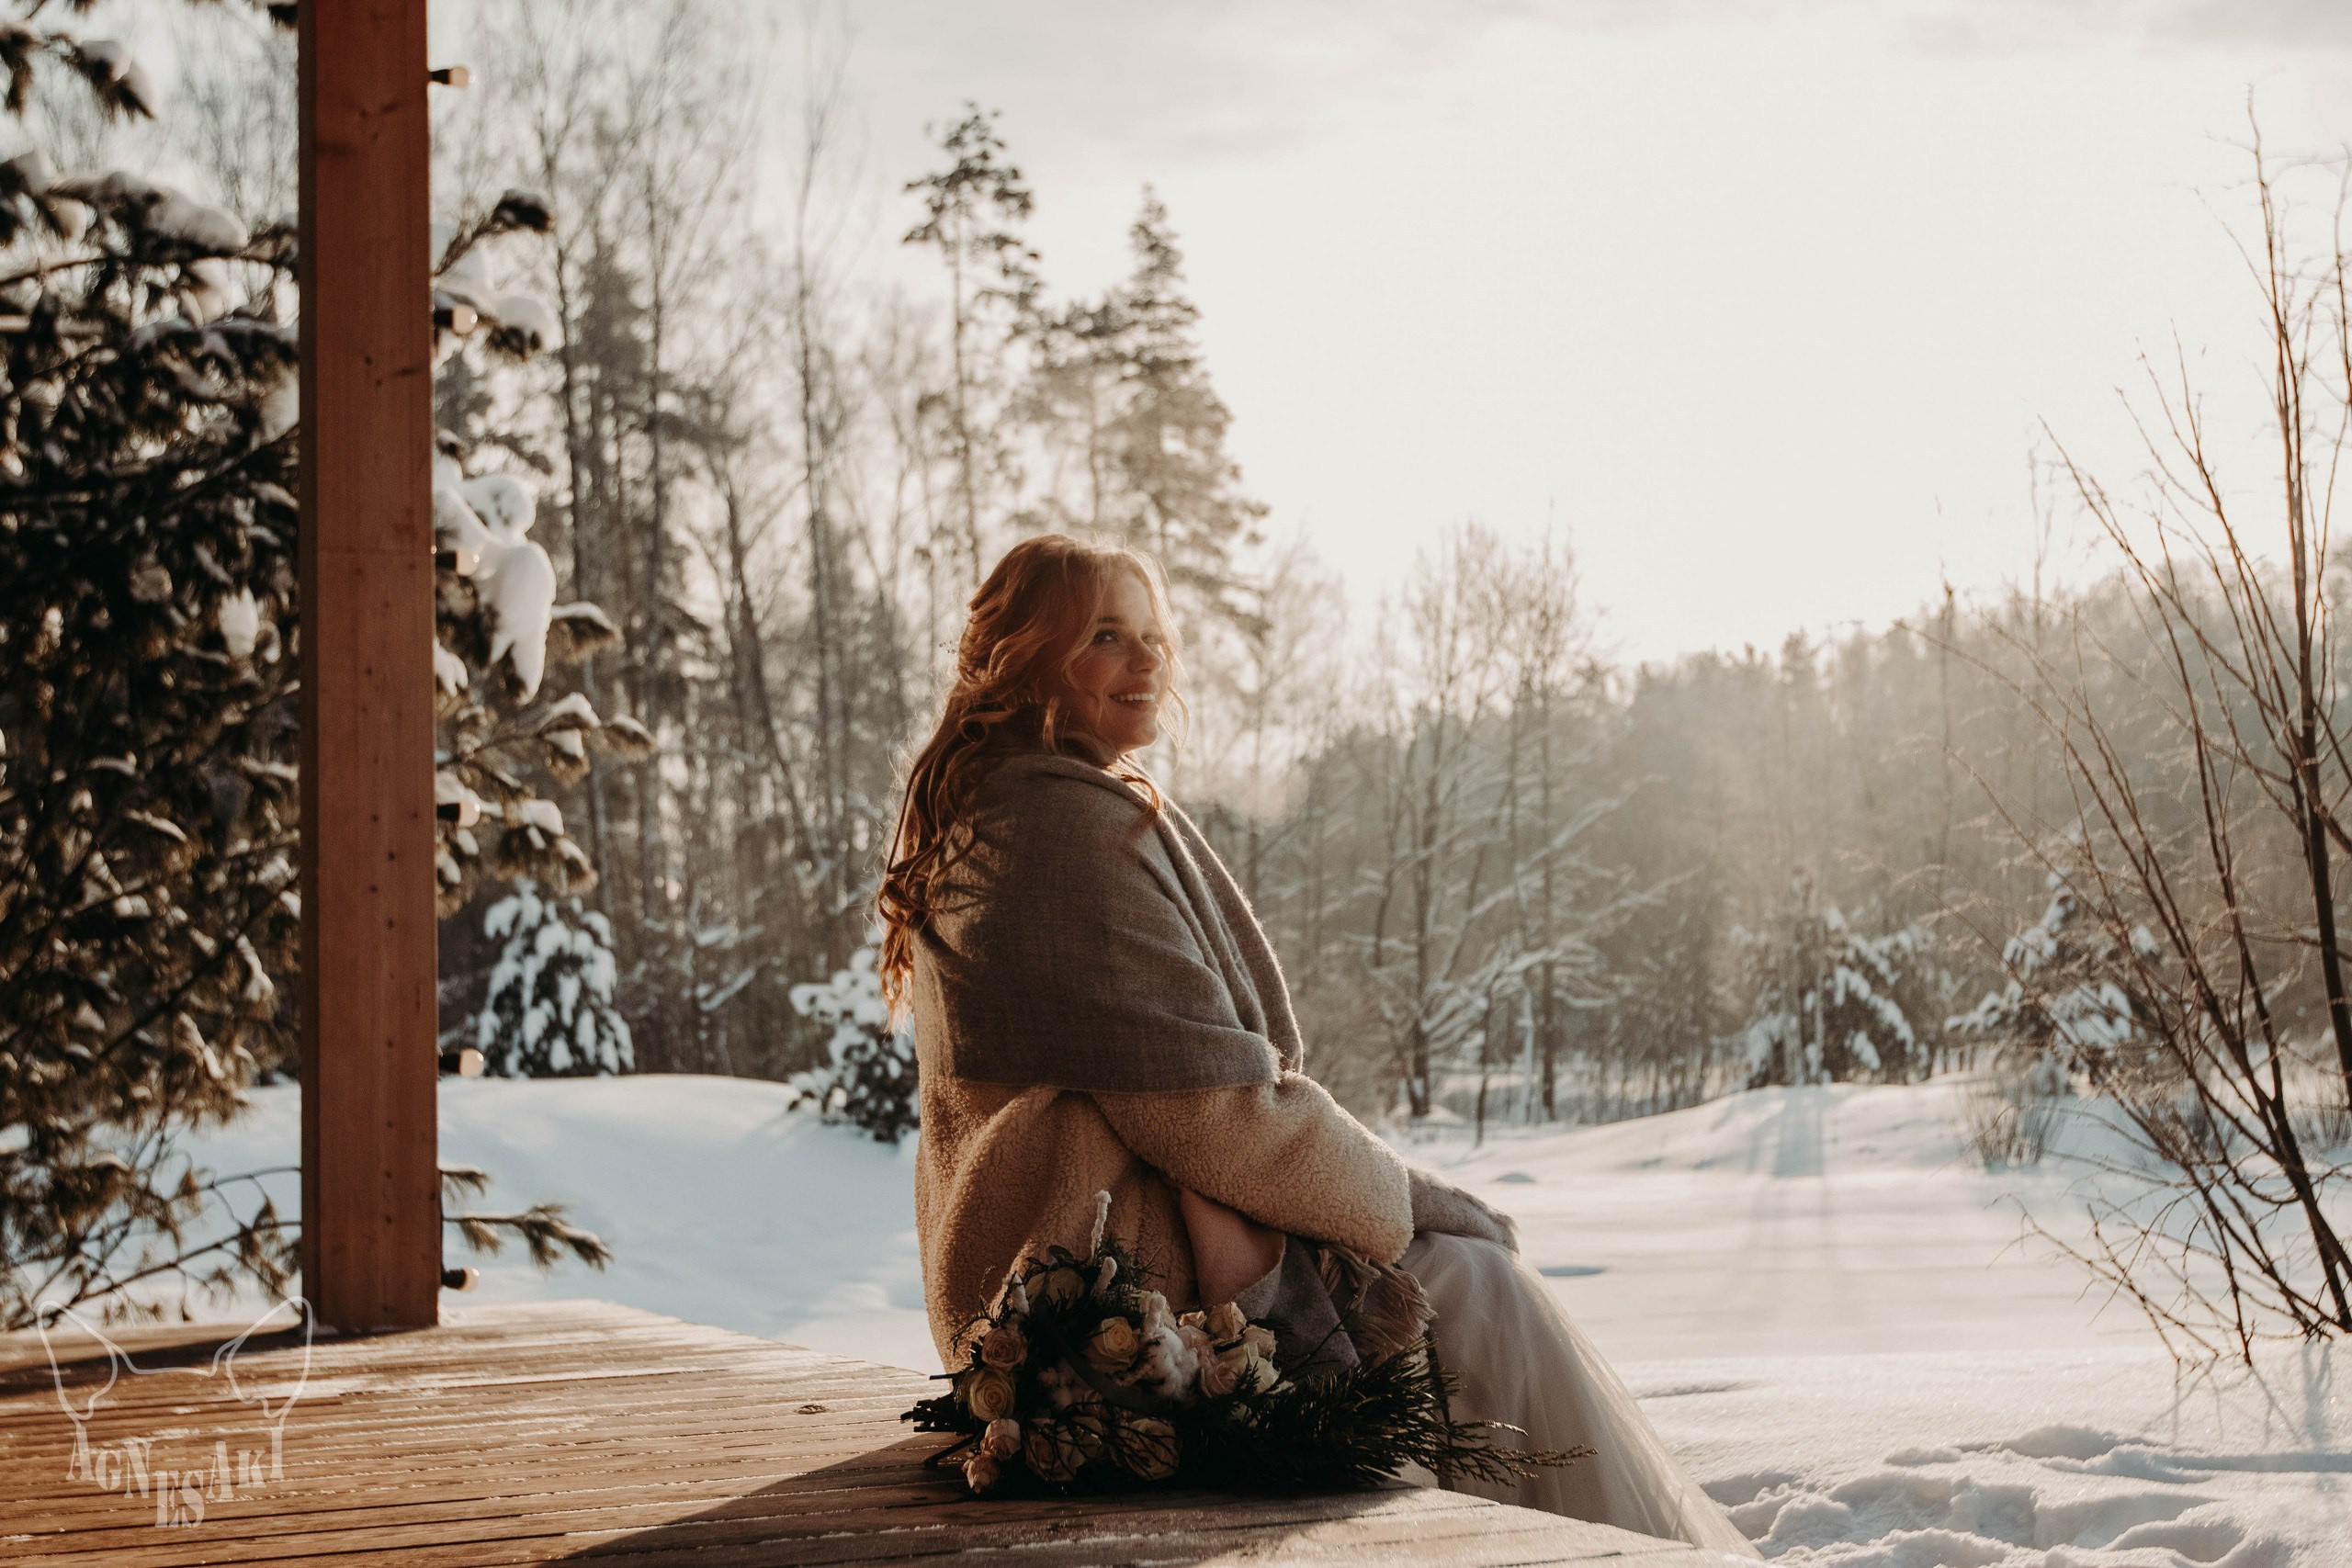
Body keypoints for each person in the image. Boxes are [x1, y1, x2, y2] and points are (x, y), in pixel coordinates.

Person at [877, 534, 1758, 1558]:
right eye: (1106, 636)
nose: (1148, 659)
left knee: (1459, 1289)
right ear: (1023, 657)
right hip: (1118, 1305)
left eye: (1153, 634)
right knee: (1476, 1289)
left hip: (1035, 1297)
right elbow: (1210, 1113)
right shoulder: (1060, 827)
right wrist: (1406, 1201)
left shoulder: (994, 804)